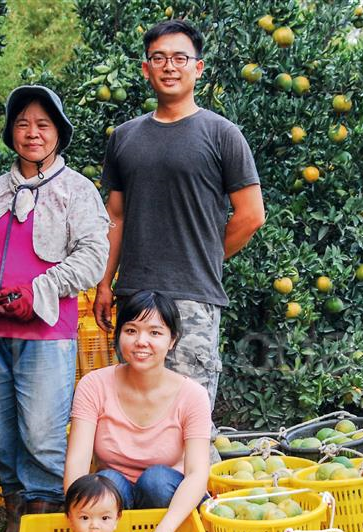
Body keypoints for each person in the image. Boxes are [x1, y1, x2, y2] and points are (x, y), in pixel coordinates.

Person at [0, 85, 109, 532]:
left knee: (42, 437)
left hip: (45, 333)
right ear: (11, 132)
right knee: (2, 435)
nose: (32, 133)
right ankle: (14, 530)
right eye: (22, 123)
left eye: (43, 124)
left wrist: (37, 291)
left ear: (58, 134)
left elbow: (93, 256)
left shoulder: (76, 190)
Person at [93, 19, 266, 409]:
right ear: (145, 68)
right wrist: (105, 282)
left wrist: (203, 256)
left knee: (189, 417)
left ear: (198, 68)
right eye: (159, 58)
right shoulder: (124, 137)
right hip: (134, 297)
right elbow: (115, 216)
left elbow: (251, 215)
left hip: (194, 299)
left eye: (179, 58)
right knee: (135, 414)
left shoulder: (222, 134)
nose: (169, 66)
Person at [64, 290, 211, 532]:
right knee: (108, 479)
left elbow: (198, 473)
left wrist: (164, 530)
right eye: (131, 330)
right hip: (115, 502)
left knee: (154, 480)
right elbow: (77, 460)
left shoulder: (193, 396)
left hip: (166, 497)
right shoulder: (93, 385)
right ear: (119, 335)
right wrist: (79, 516)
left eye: (155, 333)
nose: (141, 341)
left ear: (172, 340)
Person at [54, 474, 135, 532]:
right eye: (85, 518)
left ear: (116, 519)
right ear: (70, 519)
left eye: (104, 518)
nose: (94, 525)